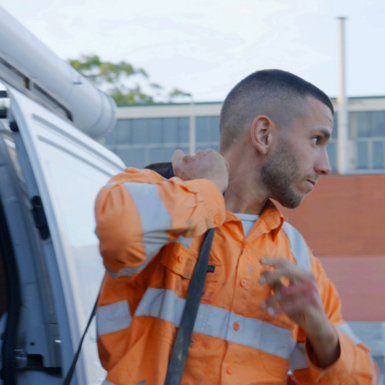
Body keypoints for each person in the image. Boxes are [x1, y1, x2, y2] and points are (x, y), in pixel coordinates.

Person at [94, 69, 378, 384]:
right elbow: (119, 231)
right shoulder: (154, 188)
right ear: (264, 135)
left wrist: (321, 332)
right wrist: (210, 187)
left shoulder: (297, 255)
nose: (325, 165)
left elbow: (362, 379)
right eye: (316, 140)